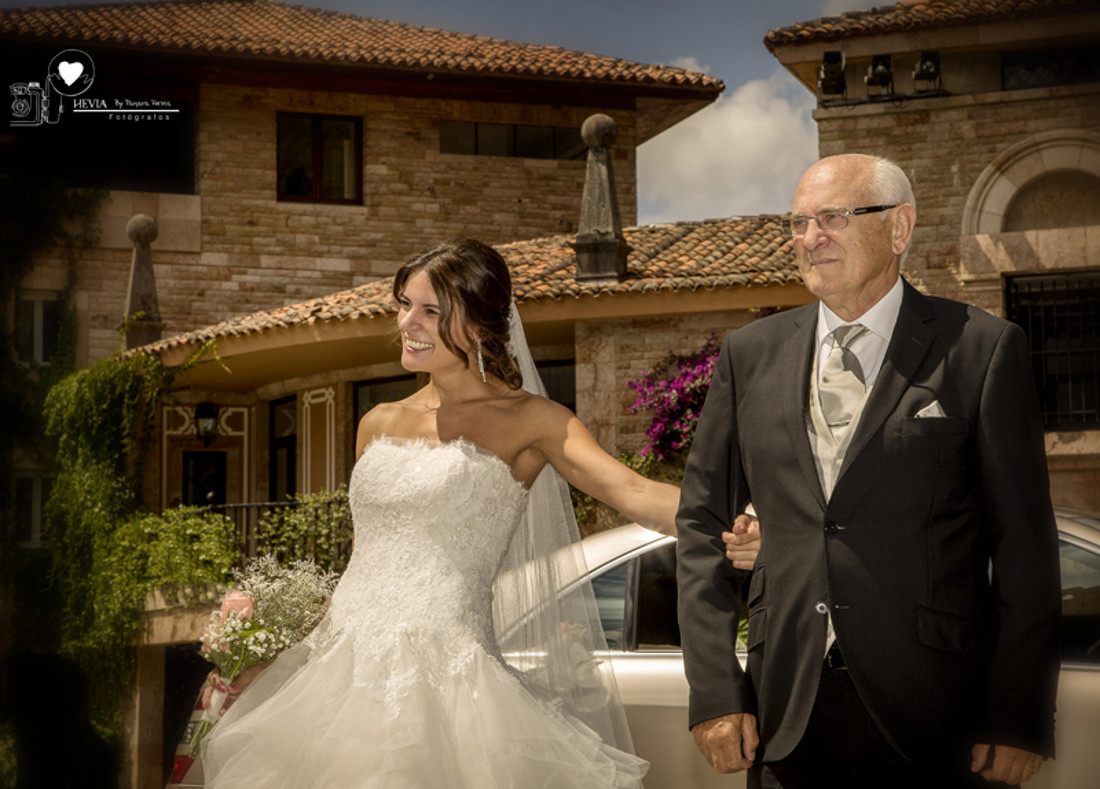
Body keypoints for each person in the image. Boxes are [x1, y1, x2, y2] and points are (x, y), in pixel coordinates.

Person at [201, 238, 754, 787]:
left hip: (447, 687)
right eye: (404, 305)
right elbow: (367, 565)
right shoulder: (378, 422)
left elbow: (633, 493)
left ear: (480, 324)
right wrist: (276, 658)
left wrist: (754, 520)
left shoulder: (533, 421)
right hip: (335, 678)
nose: (406, 323)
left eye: (430, 311)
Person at [676, 154, 1061, 788]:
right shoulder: (750, 355)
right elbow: (700, 527)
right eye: (799, 223)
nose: (809, 238)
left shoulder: (982, 349)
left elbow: (1024, 547)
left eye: (833, 218)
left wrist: (1018, 716)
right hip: (785, 715)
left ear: (900, 228)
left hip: (938, 718)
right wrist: (717, 691)